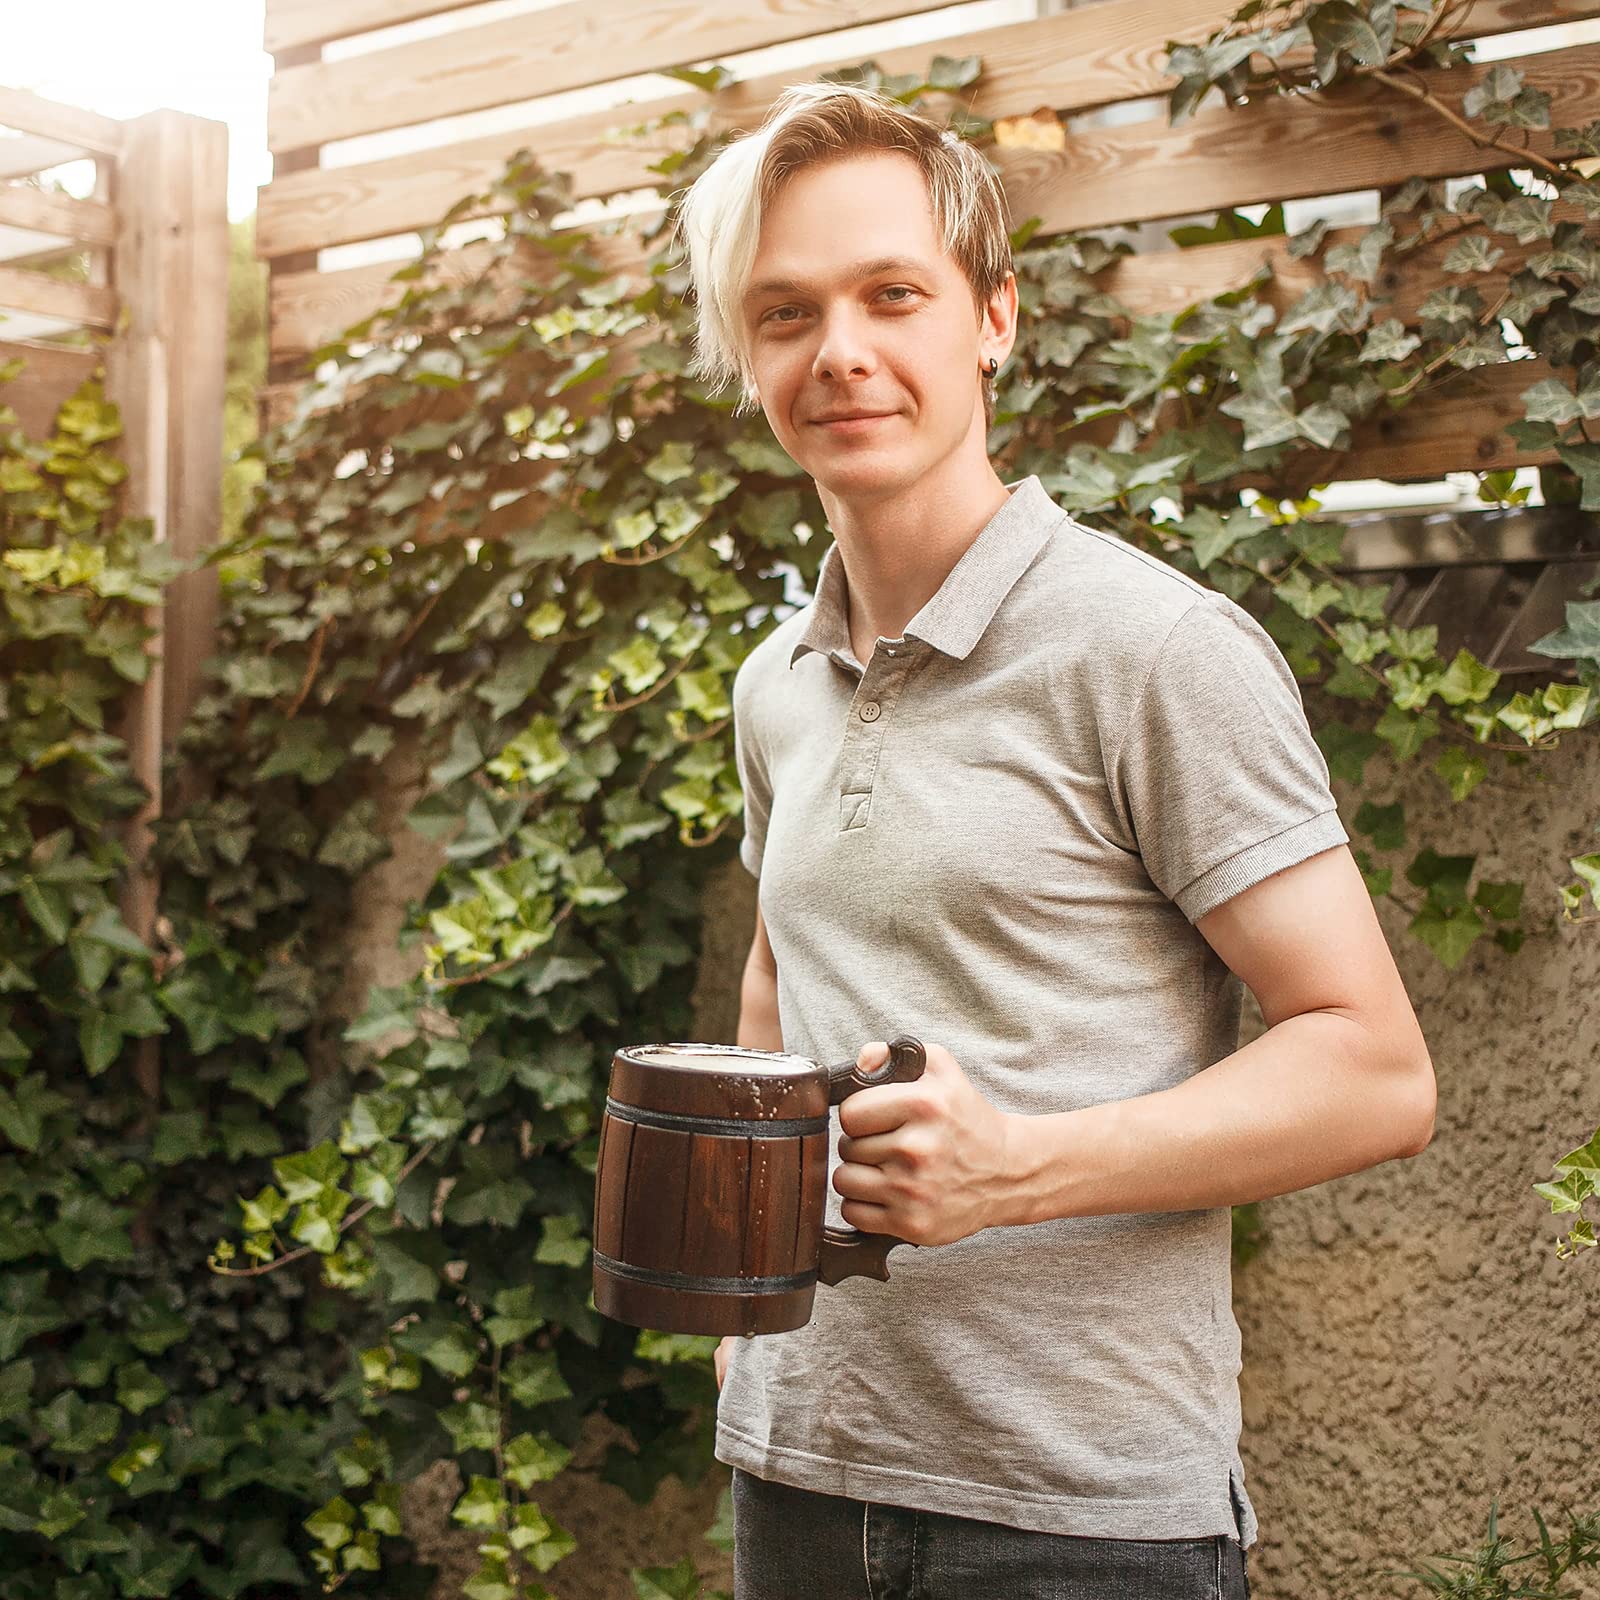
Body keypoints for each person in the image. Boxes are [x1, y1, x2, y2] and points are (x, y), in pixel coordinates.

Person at [670, 80, 1436, 1600]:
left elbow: (1375, 1068)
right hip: (800, 1478)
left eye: (894, 294)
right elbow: (782, 971)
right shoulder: (779, 685)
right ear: (748, 354)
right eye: (784, 313)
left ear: (994, 318)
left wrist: (1015, 1171)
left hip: (1077, 1525)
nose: (841, 354)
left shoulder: (1152, 651)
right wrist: (741, 1272)